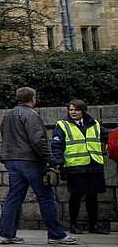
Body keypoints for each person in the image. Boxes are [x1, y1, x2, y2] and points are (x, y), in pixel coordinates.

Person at [0, 87, 75, 245]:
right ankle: (56, 234)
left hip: (11, 160)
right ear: (32, 99)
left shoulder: (8, 115)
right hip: (30, 161)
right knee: (46, 197)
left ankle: (7, 233)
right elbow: (38, 140)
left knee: (14, 197)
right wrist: (50, 159)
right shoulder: (31, 115)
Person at [51, 98, 111, 234]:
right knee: (76, 197)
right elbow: (56, 145)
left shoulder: (94, 123)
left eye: (76, 109)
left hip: (94, 164)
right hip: (75, 166)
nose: (73, 112)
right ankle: (73, 224)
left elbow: (108, 137)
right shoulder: (62, 125)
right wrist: (59, 163)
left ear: (83, 110)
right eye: (70, 109)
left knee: (93, 197)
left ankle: (93, 225)